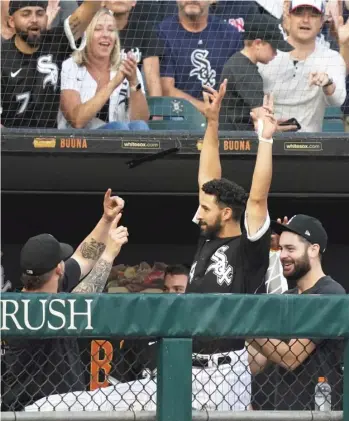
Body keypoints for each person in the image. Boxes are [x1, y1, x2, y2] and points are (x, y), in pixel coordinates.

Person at [185, 79, 277, 411]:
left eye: (206, 209)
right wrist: (212, 122)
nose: (199, 213)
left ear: (226, 213)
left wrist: (265, 139)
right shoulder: (206, 236)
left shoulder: (248, 248)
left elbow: (257, 198)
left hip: (225, 372)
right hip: (186, 364)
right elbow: (206, 180)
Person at [1, 189, 129, 411]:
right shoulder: (27, 310)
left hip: (60, 407)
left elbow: (84, 256)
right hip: (33, 411)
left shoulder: (45, 286)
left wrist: (106, 219)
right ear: (58, 268)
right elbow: (82, 301)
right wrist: (109, 254)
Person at [248, 214, 345, 410]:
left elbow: (291, 357)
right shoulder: (287, 296)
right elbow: (256, 364)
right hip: (285, 410)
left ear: (313, 250)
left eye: (290, 249)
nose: (283, 255)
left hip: (319, 412)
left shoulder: (329, 292)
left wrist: (244, 324)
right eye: (281, 248)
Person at [1, 0, 102, 129]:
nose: (34, 19)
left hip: (50, 141)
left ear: (47, 17)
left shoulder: (55, 42)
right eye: (26, 14)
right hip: (10, 142)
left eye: (40, 14)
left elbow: (92, 6)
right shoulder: (2, 57)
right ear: (11, 21)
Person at [258, 0, 346, 132]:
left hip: (310, 146)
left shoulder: (331, 58)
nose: (306, 20)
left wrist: (327, 83)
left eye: (313, 15)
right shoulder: (266, 53)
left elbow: (338, 99)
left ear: (322, 21)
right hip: (267, 141)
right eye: (299, 13)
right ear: (289, 16)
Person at [58, 8, 149, 131]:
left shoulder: (126, 65)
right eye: (98, 29)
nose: (106, 35)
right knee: (118, 127)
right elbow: (77, 120)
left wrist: (134, 83)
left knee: (139, 126)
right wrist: (113, 84)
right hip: (80, 143)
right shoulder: (70, 66)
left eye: (111, 30)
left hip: (120, 140)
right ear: (86, 35)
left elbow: (142, 121)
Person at [158, 0, 242, 114]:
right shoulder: (162, 33)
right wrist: (208, 110)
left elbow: (239, 85)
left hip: (224, 118)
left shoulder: (230, 34)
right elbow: (166, 89)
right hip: (179, 118)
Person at [219, 12, 295, 131]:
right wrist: (282, 128)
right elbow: (263, 123)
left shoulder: (237, 62)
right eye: (273, 47)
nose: (275, 53)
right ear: (258, 43)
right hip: (237, 141)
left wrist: (275, 123)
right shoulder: (246, 71)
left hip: (232, 136)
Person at [102, 0, 164, 96]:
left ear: (134, 2)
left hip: (132, 95)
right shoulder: (92, 30)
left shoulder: (144, 30)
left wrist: (157, 110)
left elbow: (153, 81)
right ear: (102, 1)